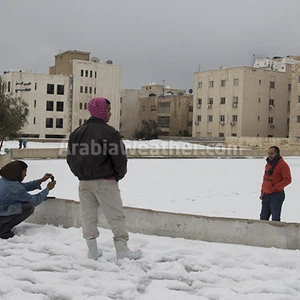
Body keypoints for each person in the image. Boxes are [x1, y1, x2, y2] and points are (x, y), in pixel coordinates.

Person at [67, 97, 142, 261]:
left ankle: (92, 251)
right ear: (101, 110)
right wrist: (117, 176)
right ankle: (122, 250)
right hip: (105, 181)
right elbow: (120, 159)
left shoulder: (77, 133)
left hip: (84, 182)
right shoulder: (110, 133)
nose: (109, 113)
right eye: (108, 110)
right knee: (116, 215)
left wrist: (80, 174)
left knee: (88, 216)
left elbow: (70, 159)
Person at [0, 160, 56, 239]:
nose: (26, 175)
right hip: (1, 216)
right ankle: (3, 230)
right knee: (29, 207)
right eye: (24, 172)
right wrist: (47, 189)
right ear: (18, 172)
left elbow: (22, 187)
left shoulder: (5, 180)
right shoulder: (15, 187)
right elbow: (34, 200)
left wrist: (41, 180)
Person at [259, 146, 292, 222]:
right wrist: (262, 191)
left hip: (276, 195)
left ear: (277, 154)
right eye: (269, 153)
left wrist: (274, 188)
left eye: (272, 153)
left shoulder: (283, 165)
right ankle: (263, 233)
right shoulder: (268, 165)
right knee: (263, 218)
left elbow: (288, 179)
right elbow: (265, 179)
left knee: (275, 219)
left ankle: (276, 234)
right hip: (266, 195)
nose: (270, 155)